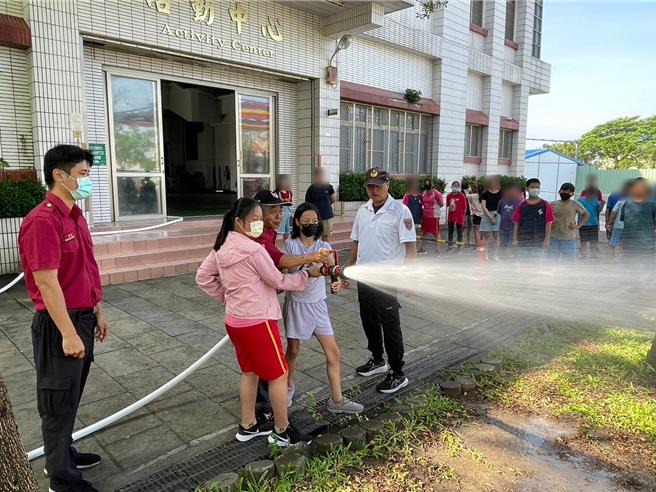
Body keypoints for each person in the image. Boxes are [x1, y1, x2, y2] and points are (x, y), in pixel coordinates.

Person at [18, 145, 109, 492]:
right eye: (83, 175)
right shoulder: (43, 220)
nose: (88, 182)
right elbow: (46, 281)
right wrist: (69, 333)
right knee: (56, 401)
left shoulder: (75, 214)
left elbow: (86, 268)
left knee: (71, 394)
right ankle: (61, 476)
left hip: (83, 318)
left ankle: (64, 453)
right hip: (60, 325)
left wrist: (98, 311)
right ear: (60, 175)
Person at [196, 198, 322, 446]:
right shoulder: (254, 250)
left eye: (258, 219)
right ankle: (282, 431)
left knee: (250, 372)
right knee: (279, 374)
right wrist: (307, 274)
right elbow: (279, 281)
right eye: (254, 219)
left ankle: (248, 425)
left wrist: (228, 297)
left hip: (235, 321)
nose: (258, 223)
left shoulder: (221, 246)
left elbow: (203, 277)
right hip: (258, 321)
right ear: (239, 222)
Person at [251, 190, 331, 423]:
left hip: (261, 304)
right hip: (258, 308)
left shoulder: (267, 233)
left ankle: (258, 407)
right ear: (257, 212)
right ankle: (268, 410)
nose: (278, 215)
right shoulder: (261, 239)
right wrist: (310, 262)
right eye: (272, 210)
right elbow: (280, 264)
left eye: (280, 210)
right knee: (271, 357)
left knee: (257, 362)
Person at [282, 203, 364, 414]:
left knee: (333, 353)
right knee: (293, 350)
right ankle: (288, 386)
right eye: (306, 221)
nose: (310, 224)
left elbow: (333, 271)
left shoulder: (324, 246)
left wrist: (336, 282)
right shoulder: (289, 246)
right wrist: (308, 267)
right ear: (297, 222)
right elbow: (282, 274)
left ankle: (337, 400)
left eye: (314, 221)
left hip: (318, 305)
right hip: (297, 304)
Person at [347, 167, 416, 394]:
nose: (374, 190)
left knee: (390, 324)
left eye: (378, 186)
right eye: (370, 186)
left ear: (388, 186)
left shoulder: (400, 210)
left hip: (387, 278)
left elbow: (410, 247)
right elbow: (356, 241)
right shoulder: (363, 210)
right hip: (364, 276)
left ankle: (397, 372)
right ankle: (377, 359)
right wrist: (348, 268)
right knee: (368, 319)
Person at [512, 178, 554, 255]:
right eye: (532, 187)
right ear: (527, 189)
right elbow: (516, 223)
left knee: (536, 266)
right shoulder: (521, 205)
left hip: (538, 243)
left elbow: (549, 223)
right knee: (523, 265)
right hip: (523, 242)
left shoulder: (545, 204)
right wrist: (515, 239)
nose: (535, 189)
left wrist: (547, 240)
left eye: (537, 187)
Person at [550, 183, 589, 261]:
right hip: (553, 238)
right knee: (551, 263)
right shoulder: (552, 204)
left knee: (569, 264)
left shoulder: (575, 204)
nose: (566, 193)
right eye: (564, 190)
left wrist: (578, 226)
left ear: (572, 194)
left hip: (569, 239)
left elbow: (586, 214)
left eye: (569, 192)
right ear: (559, 191)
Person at [617, 178, 656, 253]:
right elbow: (625, 225)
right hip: (629, 246)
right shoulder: (626, 205)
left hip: (646, 246)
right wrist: (622, 241)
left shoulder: (652, 205)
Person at [305, 167, 336, 241]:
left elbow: (333, 199)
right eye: (318, 175)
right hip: (315, 217)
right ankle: (316, 252)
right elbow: (308, 204)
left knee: (325, 236)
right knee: (315, 236)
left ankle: (325, 251)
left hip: (327, 215)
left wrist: (327, 205)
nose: (320, 177)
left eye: (321, 175)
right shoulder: (311, 189)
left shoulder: (329, 187)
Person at [480, 175, 503, 258]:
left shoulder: (502, 193)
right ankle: (484, 254)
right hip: (487, 214)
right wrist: (490, 216)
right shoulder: (485, 193)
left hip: (498, 214)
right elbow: (483, 206)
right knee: (486, 236)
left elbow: (502, 205)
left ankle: (495, 255)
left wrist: (495, 215)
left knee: (496, 236)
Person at [418, 178, 443, 253]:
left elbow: (441, 204)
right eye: (426, 184)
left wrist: (433, 208)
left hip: (434, 216)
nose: (427, 185)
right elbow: (422, 202)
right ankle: (423, 249)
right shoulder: (424, 192)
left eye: (428, 184)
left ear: (432, 185)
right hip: (425, 216)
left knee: (436, 233)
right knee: (424, 232)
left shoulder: (437, 193)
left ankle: (438, 250)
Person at [496, 184, 523, 250]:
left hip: (514, 228)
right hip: (503, 227)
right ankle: (503, 258)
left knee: (514, 246)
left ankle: (514, 258)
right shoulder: (502, 201)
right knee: (503, 245)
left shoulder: (520, 202)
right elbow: (499, 212)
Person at [577, 190, 603, 257]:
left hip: (593, 224)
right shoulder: (580, 200)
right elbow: (576, 210)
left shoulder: (595, 200)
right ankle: (583, 256)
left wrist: (602, 204)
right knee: (583, 242)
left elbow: (599, 210)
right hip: (583, 224)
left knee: (593, 242)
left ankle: (593, 256)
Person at [446, 181, 467, 250]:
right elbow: (447, 207)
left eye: (457, 186)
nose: (455, 187)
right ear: (451, 186)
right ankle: (450, 245)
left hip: (459, 216)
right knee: (450, 231)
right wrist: (447, 217)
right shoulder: (449, 196)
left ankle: (459, 245)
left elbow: (464, 207)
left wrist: (463, 217)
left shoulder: (461, 196)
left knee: (459, 232)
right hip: (451, 216)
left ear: (459, 187)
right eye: (454, 185)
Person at [275, 174, 293, 240]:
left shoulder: (290, 192)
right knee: (280, 230)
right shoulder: (277, 193)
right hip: (282, 211)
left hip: (288, 211)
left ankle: (286, 243)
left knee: (288, 230)